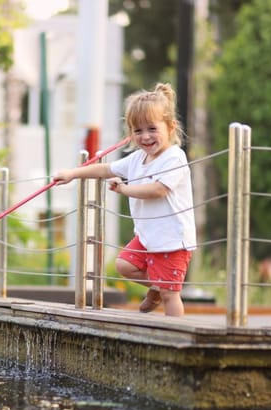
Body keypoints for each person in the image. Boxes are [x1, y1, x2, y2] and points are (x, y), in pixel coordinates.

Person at [53, 83, 196, 316]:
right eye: (138, 131)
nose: (146, 136)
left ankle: (173, 331)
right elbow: (105, 169)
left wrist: (124, 190)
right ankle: (158, 286)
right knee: (124, 265)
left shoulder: (174, 157)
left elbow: (159, 190)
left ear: (170, 128)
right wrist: (72, 174)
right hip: (149, 236)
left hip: (172, 238)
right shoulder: (137, 159)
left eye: (152, 128)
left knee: (172, 295)